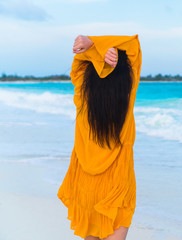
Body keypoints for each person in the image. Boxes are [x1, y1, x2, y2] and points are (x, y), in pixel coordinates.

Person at [57, 34, 142, 240]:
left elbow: (79, 58)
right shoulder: (127, 95)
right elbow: (134, 46)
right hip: (117, 182)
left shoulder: (81, 95)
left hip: (86, 182)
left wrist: (93, 45)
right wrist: (105, 47)